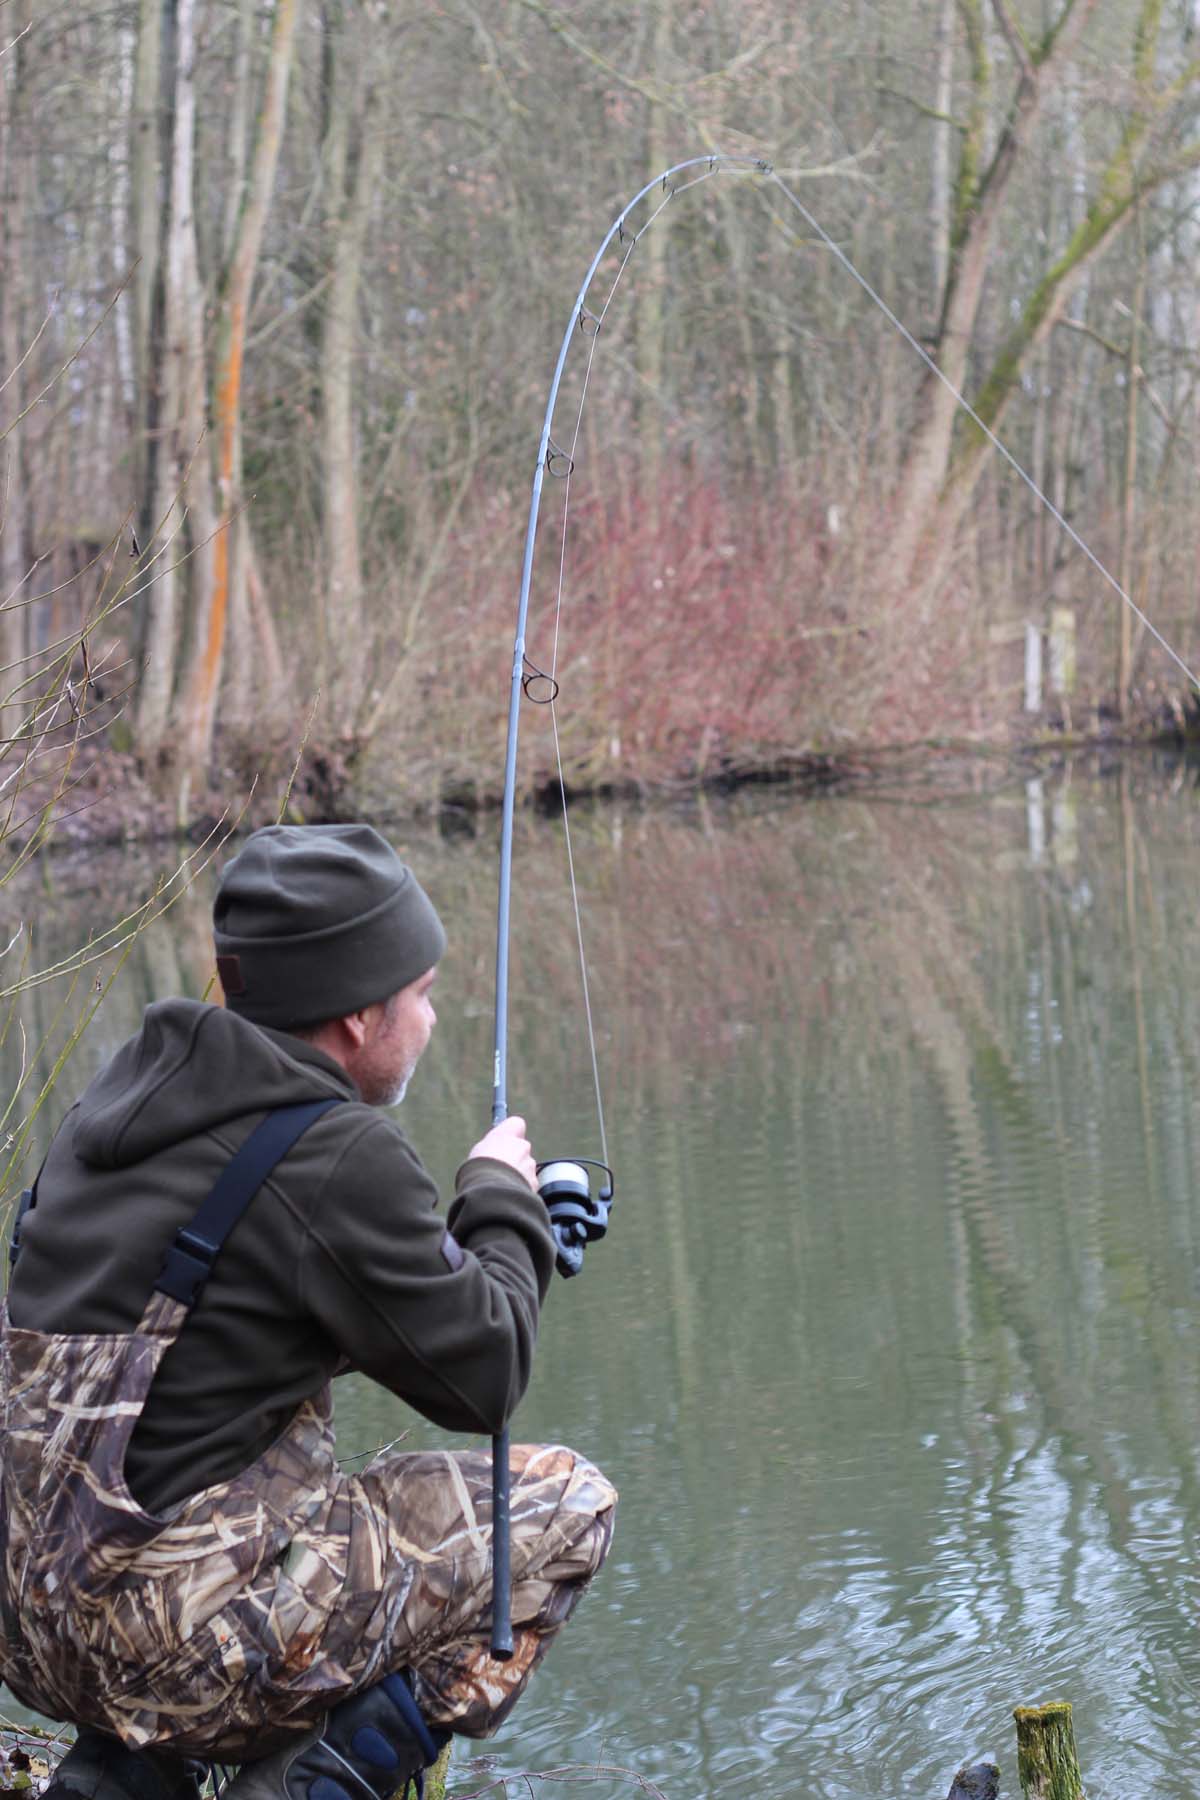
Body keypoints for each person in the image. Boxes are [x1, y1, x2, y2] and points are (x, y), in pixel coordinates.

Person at [0, 824, 616, 1800]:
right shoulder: (332, 1156)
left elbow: (214, 1346)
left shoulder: (117, 1107)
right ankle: (308, 1787)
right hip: (162, 1645)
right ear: (361, 1016)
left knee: (252, 1463)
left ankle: (124, 1779)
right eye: (421, 993)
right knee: (558, 1509)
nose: (433, 1016)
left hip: (32, 1630)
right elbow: (487, 1373)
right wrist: (502, 1199)